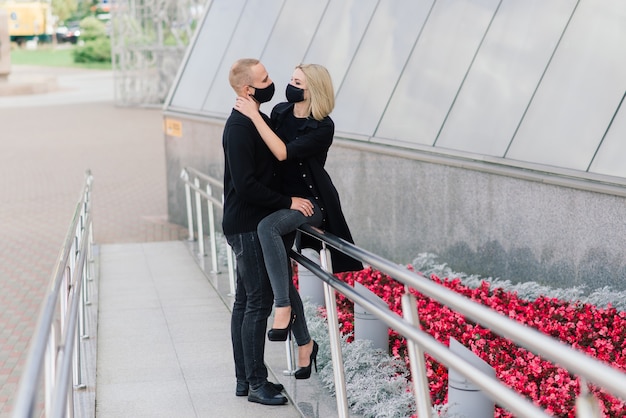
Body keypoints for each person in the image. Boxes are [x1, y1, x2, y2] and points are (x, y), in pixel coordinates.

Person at [235, 63, 363, 379]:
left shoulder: (322, 127)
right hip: (282, 202)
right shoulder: (280, 112)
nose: (290, 85)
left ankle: (282, 306)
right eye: (291, 79)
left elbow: (281, 153)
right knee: (275, 266)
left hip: (310, 204)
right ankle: (305, 344)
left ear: (313, 90)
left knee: (267, 230)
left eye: (297, 82)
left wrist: (253, 115)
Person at [222, 58, 314, 405]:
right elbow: (245, 186)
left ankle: (245, 380)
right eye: (264, 79)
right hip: (247, 226)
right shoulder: (240, 128)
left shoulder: (252, 120)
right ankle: (256, 383)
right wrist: (287, 200)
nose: (271, 81)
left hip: (246, 223)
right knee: (257, 303)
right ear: (248, 90)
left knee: (245, 302)